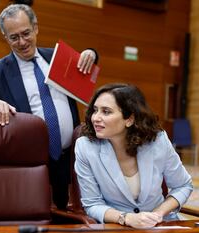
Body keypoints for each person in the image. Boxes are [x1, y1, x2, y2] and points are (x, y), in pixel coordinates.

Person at [0, 3, 98, 209]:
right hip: (29, 161)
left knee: (70, 217)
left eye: (26, 33)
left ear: (36, 28)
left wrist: (91, 53)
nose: (22, 42)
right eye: (14, 37)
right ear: (5, 37)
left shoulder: (57, 57)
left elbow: (89, 66)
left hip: (70, 157)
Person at [75, 83, 192, 228]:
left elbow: (183, 185)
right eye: (95, 110)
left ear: (129, 119)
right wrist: (126, 218)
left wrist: (157, 214)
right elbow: (92, 204)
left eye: (106, 112)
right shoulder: (85, 147)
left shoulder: (158, 140)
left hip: (162, 225)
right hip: (118, 227)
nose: (95, 118)